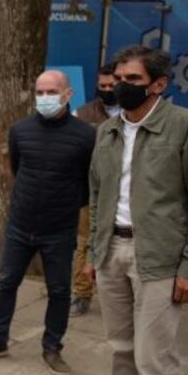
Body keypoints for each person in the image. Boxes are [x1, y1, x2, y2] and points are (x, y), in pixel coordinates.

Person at [80, 45, 188, 375]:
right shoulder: (107, 131)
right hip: (113, 250)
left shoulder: (187, 127)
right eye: (118, 79)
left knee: (155, 361)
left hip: (160, 259)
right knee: (122, 348)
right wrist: (94, 253)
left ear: (159, 84)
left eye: (133, 80)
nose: (121, 87)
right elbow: (97, 196)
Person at [0, 71, 96, 375]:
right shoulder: (21, 130)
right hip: (20, 225)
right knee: (6, 283)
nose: (45, 98)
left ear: (68, 94)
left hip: (59, 230)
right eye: (40, 92)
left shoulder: (86, 136)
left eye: (52, 92)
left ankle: (52, 347)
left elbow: (87, 184)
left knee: (59, 291)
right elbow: (18, 168)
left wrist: (63, 205)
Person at [71, 62, 120, 317]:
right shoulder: (83, 114)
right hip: (91, 191)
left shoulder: (135, 112)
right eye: (103, 86)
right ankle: (82, 294)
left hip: (126, 192)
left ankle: (122, 296)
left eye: (112, 85)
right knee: (85, 243)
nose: (108, 90)